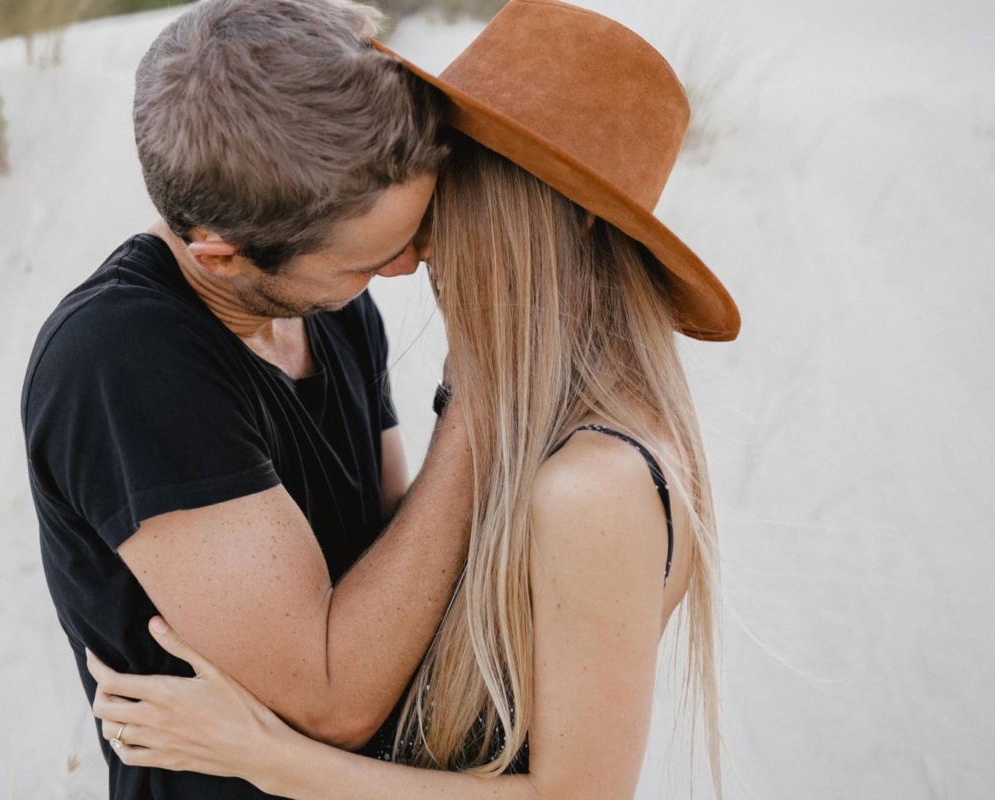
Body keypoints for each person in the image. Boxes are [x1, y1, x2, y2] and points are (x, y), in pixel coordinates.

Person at [83, 1, 742, 798]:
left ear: (509, 235)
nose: (402, 266)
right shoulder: (132, 351)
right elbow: (406, 585)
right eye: (384, 247)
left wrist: (263, 752)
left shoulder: (591, 481)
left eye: (426, 224)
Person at [20, 1, 481, 798]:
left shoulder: (323, 303)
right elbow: (334, 698)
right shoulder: (121, 360)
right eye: (368, 260)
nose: (409, 265)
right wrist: (480, 401)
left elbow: (404, 555)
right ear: (221, 257)